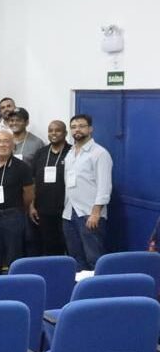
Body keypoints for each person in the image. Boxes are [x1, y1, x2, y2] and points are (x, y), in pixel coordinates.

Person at [62, 114, 113, 270]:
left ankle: (98, 292)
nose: (77, 129)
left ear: (90, 129)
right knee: (76, 259)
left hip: (89, 214)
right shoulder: (70, 153)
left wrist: (96, 213)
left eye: (81, 126)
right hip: (69, 213)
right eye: (73, 126)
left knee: (94, 258)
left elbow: (105, 186)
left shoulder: (99, 153)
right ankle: (80, 291)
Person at [0, 130, 35, 274]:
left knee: (14, 255)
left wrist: (19, 209)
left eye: (5, 141)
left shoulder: (22, 166)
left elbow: (29, 193)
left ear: (13, 145)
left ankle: (14, 287)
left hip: (13, 216)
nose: (1, 145)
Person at [29, 120, 71, 256]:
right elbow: (33, 181)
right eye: (50, 130)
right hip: (43, 209)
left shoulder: (71, 152)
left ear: (65, 133)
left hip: (66, 210)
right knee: (48, 246)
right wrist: (31, 205)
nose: (53, 133)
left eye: (57, 130)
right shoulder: (41, 153)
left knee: (67, 246)